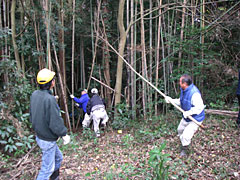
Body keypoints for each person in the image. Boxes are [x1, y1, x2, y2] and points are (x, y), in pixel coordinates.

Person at [30, 68, 70, 180]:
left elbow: (33, 114)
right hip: (47, 139)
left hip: (40, 136)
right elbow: (55, 121)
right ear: (52, 82)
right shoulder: (49, 99)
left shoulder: (35, 94)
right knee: (47, 169)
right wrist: (63, 134)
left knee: (58, 158)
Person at [165, 74, 205, 157]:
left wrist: (189, 112)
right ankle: (184, 142)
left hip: (195, 118)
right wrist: (171, 100)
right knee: (180, 130)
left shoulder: (194, 94)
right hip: (186, 117)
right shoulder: (184, 90)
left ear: (184, 84)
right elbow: (181, 101)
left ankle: (184, 150)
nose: (179, 83)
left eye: (180, 81)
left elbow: (199, 107)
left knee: (186, 135)